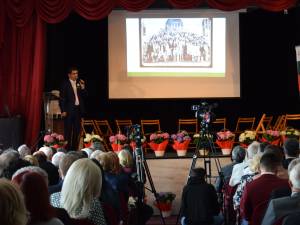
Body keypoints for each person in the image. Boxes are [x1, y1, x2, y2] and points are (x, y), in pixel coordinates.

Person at [59, 66, 87, 150]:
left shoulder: (79, 83)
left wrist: (83, 87)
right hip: (69, 111)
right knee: (68, 131)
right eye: (74, 73)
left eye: (77, 73)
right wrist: (63, 110)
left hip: (78, 110)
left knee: (77, 131)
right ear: (69, 75)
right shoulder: (65, 84)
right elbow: (62, 99)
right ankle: (67, 149)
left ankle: (74, 149)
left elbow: (85, 96)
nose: (76, 75)